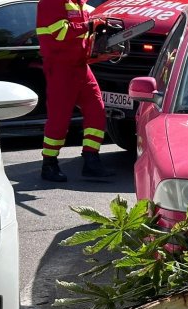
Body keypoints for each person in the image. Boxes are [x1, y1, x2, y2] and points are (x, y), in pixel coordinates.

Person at [35, 0, 114, 182]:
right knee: (59, 118)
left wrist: (98, 50)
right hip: (60, 68)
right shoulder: (51, 2)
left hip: (80, 66)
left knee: (97, 110)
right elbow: (60, 32)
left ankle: (91, 159)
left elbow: (81, 38)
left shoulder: (79, 3)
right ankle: (49, 164)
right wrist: (89, 25)